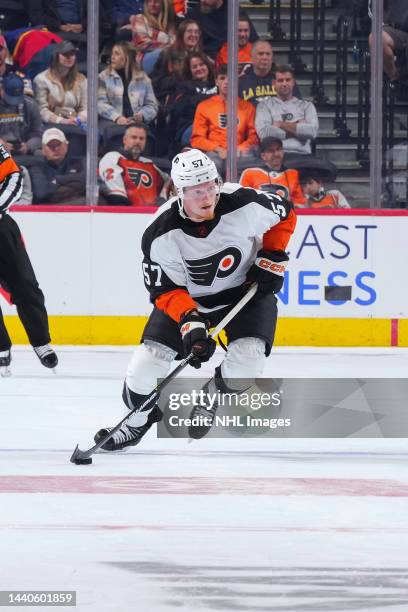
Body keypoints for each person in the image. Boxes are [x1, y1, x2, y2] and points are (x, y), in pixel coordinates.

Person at [93, 148, 296, 449]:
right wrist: (190, 321)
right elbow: (164, 290)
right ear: (178, 191)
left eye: (211, 186)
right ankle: (136, 424)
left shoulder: (245, 202)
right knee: (144, 369)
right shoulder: (160, 232)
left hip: (245, 294)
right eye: (196, 191)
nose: (206, 197)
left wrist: (272, 254)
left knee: (246, 367)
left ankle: (212, 392)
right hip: (189, 300)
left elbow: (285, 213)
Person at [0, 142, 58, 373]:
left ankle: (41, 342)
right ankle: (1, 347)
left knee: (26, 286)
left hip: (2, 229)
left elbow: (13, 176)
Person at [191, 64, 258, 174]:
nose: (226, 82)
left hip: (240, 153)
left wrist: (239, 149)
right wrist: (218, 149)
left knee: (254, 165)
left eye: (230, 78)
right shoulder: (204, 106)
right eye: (222, 78)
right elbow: (197, 139)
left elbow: (253, 137)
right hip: (214, 153)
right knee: (212, 166)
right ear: (216, 81)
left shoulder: (248, 107)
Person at [99, 123, 170, 206]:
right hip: (126, 214)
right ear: (124, 140)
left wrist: (163, 199)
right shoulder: (112, 157)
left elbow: (169, 181)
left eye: (141, 138)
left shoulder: (149, 163)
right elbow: (118, 198)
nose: (138, 141)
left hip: (152, 215)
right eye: (134, 137)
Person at [255, 65, 319, 155]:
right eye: (280, 80)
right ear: (274, 83)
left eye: (288, 80)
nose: (284, 84)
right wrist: (298, 128)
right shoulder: (264, 106)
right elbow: (264, 133)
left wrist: (280, 124)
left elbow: (312, 132)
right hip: (275, 157)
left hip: (302, 157)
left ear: (293, 82)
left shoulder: (307, 106)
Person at [98, 42, 158, 129]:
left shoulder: (143, 78)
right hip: (111, 122)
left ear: (128, 57)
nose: (112, 57)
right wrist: (117, 117)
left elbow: (152, 105)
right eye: (112, 53)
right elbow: (99, 103)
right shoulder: (103, 77)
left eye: (117, 54)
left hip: (137, 123)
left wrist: (142, 115)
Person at [240, 137, 306, 206]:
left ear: (283, 152)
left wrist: (292, 204)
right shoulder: (250, 173)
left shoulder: (292, 174)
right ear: (263, 156)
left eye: (278, 149)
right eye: (270, 151)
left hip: (284, 215)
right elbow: (241, 201)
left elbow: (300, 203)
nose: (276, 154)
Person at [29, 128, 86, 204]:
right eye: (50, 145)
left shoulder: (79, 163)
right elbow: (41, 193)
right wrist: (71, 183)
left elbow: (86, 182)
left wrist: (58, 180)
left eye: (58, 144)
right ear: (43, 150)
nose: (55, 148)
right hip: (47, 212)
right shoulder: (37, 168)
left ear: (66, 146)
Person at [121, 0, 176, 75]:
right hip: (144, 59)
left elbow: (175, 43)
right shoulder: (139, 18)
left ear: (162, 4)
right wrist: (167, 45)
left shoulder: (169, 25)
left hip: (168, 58)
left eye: (156, 1)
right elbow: (143, 44)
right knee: (164, 53)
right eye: (150, 1)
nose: (152, 4)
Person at [0, 73, 43, 156]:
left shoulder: (30, 104)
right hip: (1, 149)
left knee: (41, 156)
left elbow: (38, 134)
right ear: (1, 89)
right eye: (10, 96)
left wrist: (28, 146)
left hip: (24, 148)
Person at [368, 0, 408, 81]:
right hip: (398, 30)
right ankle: (396, 79)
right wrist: (384, 22)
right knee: (377, 38)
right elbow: (373, 6)